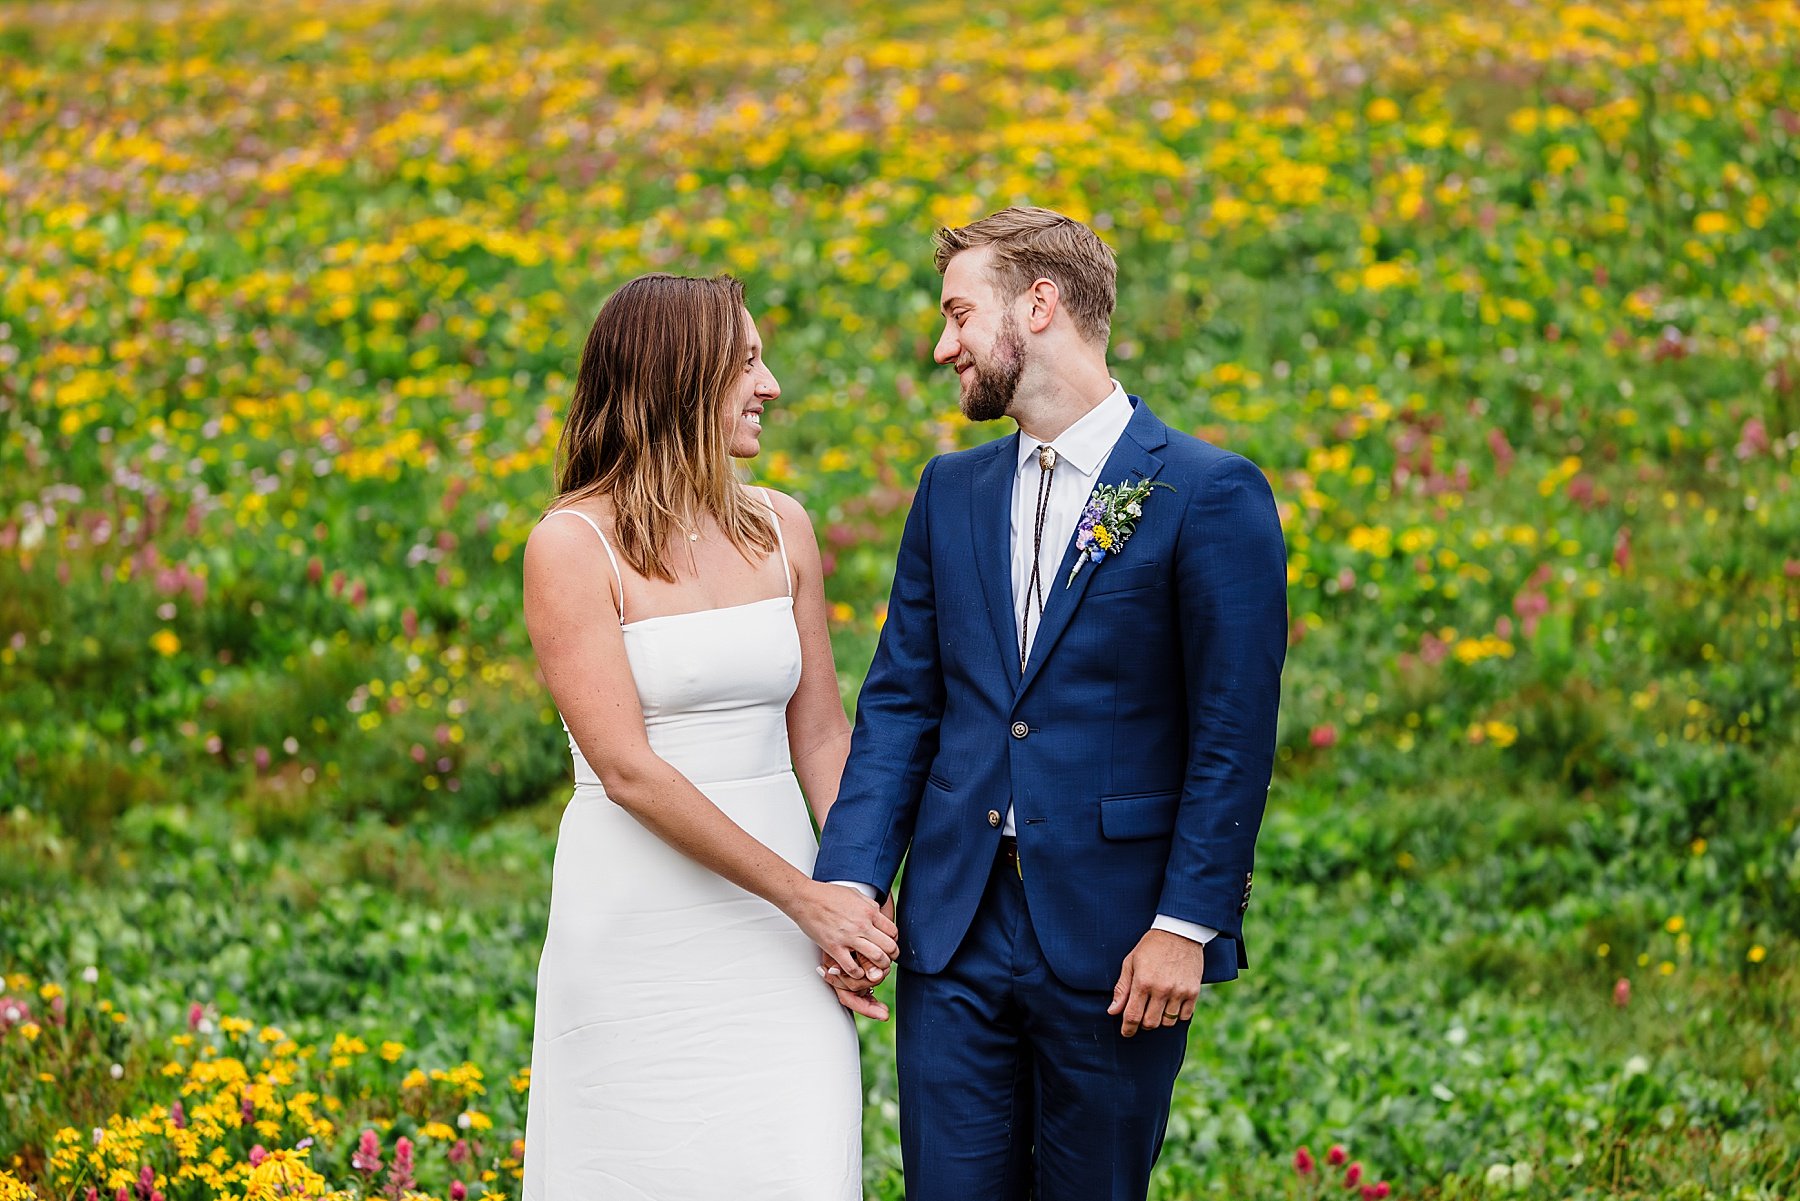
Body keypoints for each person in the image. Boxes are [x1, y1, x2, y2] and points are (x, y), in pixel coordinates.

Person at [815, 207, 1288, 1201]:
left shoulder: (1205, 493)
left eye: (957, 314)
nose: (942, 347)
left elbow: (1232, 734)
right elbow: (902, 703)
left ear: (1039, 305)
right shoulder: (950, 492)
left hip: (1119, 938)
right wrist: (852, 881)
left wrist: (1186, 925)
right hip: (952, 930)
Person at [519, 273, 893, 1201]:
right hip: (639, 925)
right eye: (749, 363)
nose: (770, 385)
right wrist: (805, 899)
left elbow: (822, 737)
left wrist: (855, 889)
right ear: (677, 379)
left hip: (785, 933)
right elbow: (629, 770)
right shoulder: (571, 544)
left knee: (792, 1163)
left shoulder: (781, 525)